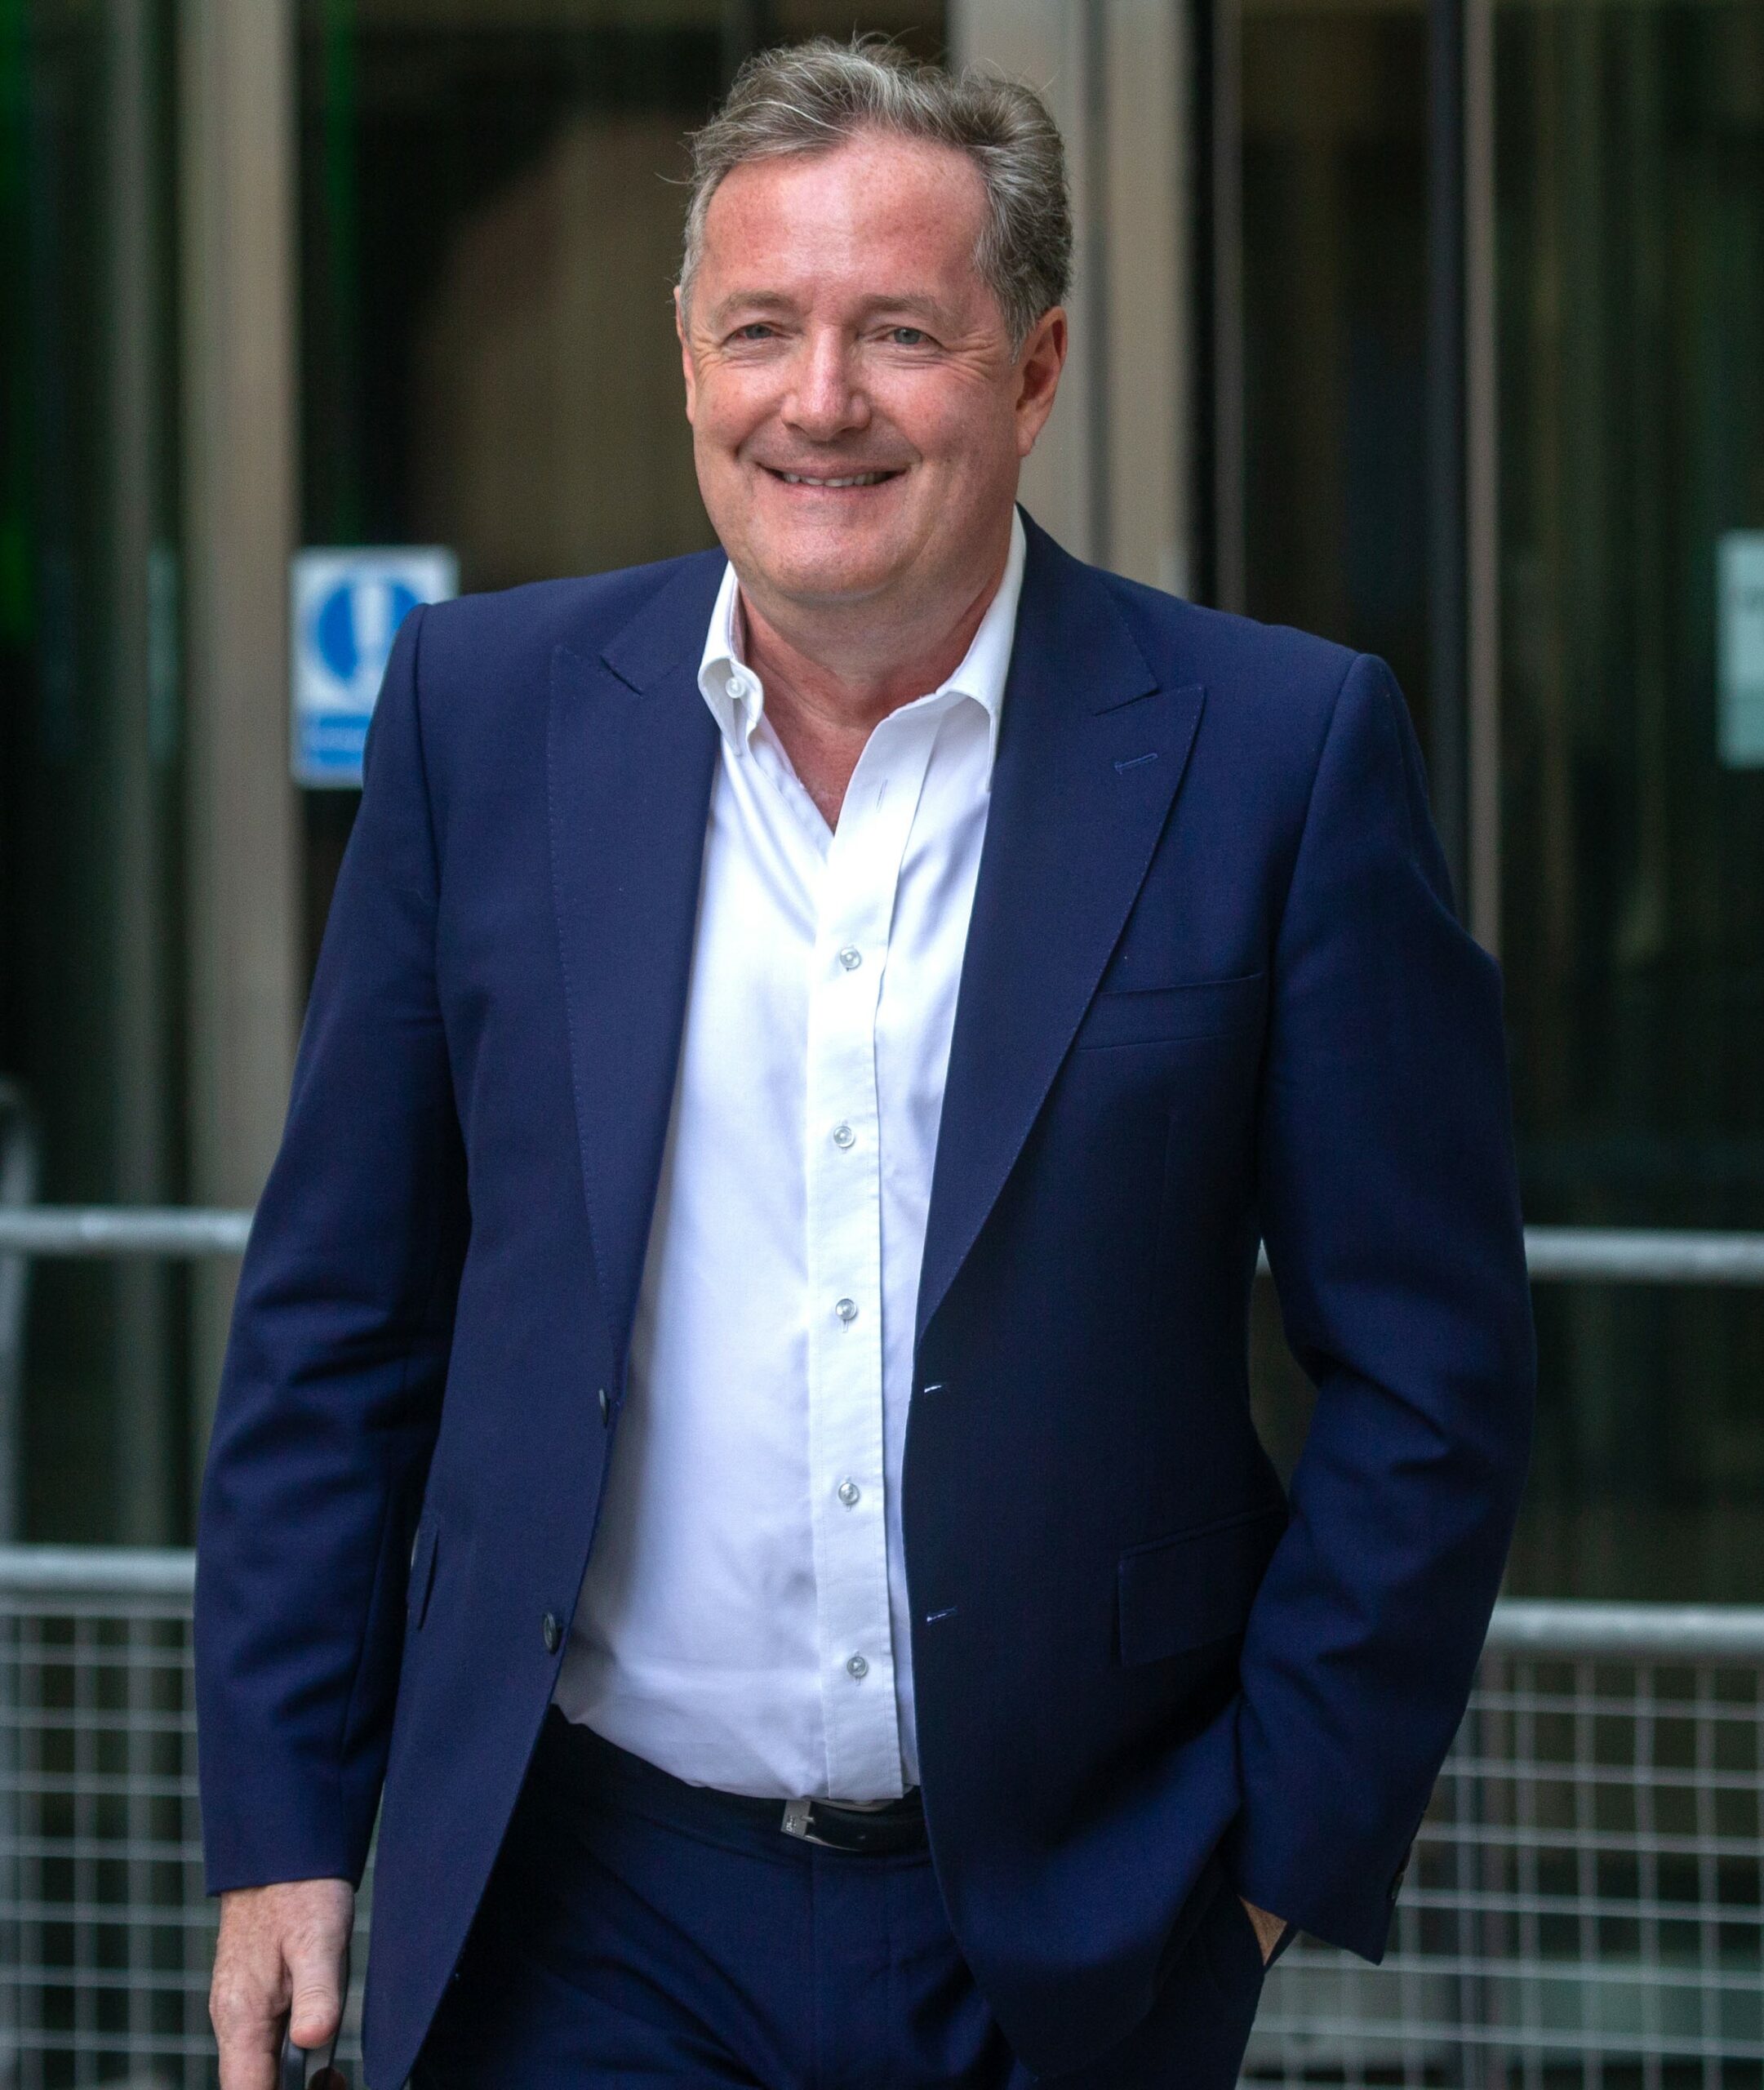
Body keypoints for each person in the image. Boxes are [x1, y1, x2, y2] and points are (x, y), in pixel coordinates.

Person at [196, 37, 1534, 2090]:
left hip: (1079, 1919)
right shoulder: (487, 718)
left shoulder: (1277, 755)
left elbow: (1431, 1368)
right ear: (686, 362)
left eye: (899, 332)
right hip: (588, 1913)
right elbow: (337, 1320)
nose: (817, 399)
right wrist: (286, 1817)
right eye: (760, 329)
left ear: (1034, 370)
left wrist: (1271, 1855)